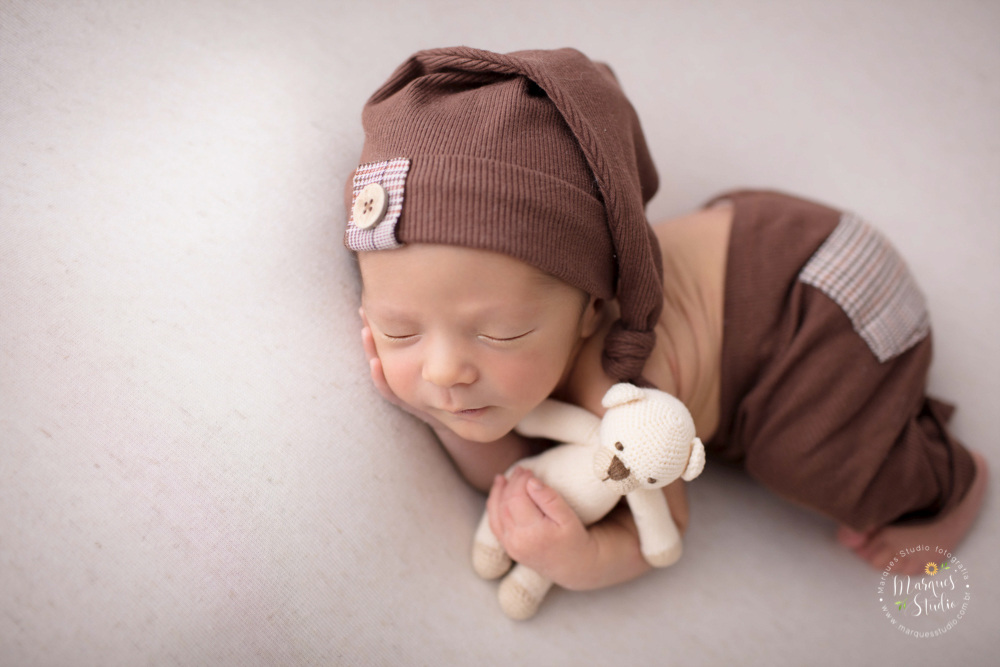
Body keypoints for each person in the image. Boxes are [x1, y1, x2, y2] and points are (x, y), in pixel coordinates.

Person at [345, 46, 988, 589]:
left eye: (500, 333)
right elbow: (510, 460)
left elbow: (664, 528)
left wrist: (581, 559)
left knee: (815, 464)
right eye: (400, 330)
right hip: (766, 238)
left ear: (592, 309)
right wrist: (441, 416)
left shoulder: (620, 391)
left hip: (823, 304)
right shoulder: (497, 350)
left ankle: (949, 481)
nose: (445, 368)